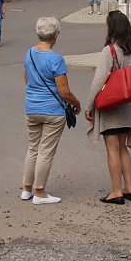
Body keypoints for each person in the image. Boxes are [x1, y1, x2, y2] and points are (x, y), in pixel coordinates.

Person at [21, 17, 81, 205]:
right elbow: (64, 92)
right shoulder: (56, 59)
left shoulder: (29, 54)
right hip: (53, 111)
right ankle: (39, 193)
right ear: (55, 35)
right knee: (46, 152)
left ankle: (26, 189)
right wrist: (77, 103)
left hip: (32, 107)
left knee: (33, 148)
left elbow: (27, 80)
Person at [85, 11, 131, 204]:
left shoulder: (109, 51)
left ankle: (116, 192)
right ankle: (129, 188)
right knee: (122, 148)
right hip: (129, 105)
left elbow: (98, 81)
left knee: (112, 149)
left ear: (112, 28)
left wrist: (89, 105)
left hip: (112, 106)